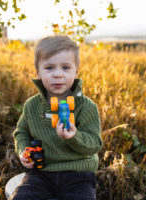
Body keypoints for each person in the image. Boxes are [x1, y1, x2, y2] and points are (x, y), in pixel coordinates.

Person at [11, 35, 102, 200]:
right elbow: (21, 132)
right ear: (38, 72)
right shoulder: (32, 105)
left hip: (78, 174)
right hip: (41, 173)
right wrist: (24, 151)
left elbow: (94, 144)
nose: (58, 74)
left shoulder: (86, 106)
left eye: (66, 68)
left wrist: (75, 137)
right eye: (49, 68)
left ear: (76, 71)